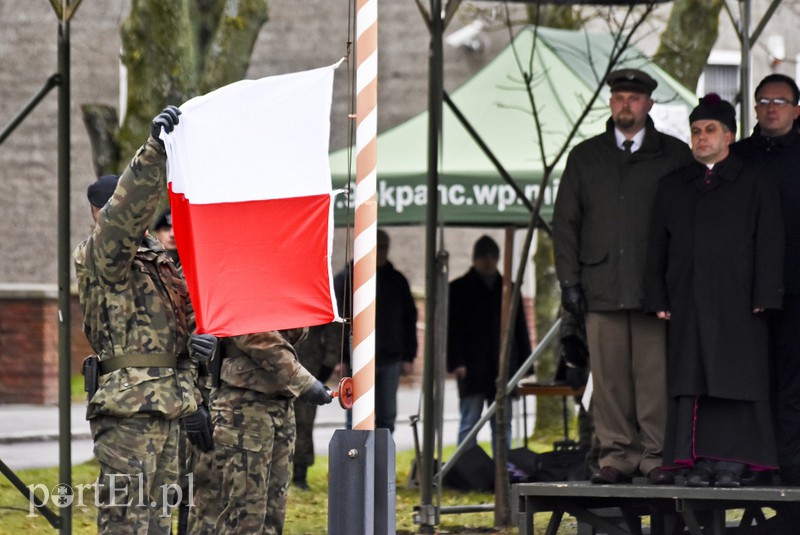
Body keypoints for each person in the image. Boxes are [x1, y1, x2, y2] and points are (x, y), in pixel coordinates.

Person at [73, 106, 213, 533]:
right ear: (102, 211)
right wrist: (154, 150)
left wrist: (196, 390)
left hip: (169, 405)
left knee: (158, 522)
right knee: (126, 521)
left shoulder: (158, 260)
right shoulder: (102, 254)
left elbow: (181, 328)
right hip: (129, 408)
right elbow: (127, 212)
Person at [552, 68, 693, 485]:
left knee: (654, 379)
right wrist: (569, 281)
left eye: (633, 98)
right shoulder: (585, 156)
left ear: (649, 104)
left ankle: (655, 455)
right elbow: (565, 224)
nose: (625, 105)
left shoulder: (674, 155)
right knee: (609, 379)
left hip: (654, 290)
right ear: (611, 103)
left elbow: (688, 224)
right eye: (618, 98)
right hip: (601, 285)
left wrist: (679, 283)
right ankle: (615, 455)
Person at [644, 93, 784, 487]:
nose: (701, 137)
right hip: (687, 300)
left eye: (709, 130)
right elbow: (657, 246)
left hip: (739, 300)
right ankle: (700, 461)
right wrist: (657, 296)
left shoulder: (755, 182)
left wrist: (765, 294)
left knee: (736, 378)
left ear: (729, 136)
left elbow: (769, 241)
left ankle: (733, 462)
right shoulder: (673, 185)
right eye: (695, 131)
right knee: (694, 379)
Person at [188, 329, 334, 534]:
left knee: (272, 516)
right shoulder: (247, 307)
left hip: (280, 401)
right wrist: (303, 381)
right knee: (243, 517)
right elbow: (254, 334)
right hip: (243, 406)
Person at [732, 74, 800, 486]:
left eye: (780, 101)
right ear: (754, 108)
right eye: (764, 101)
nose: (771, 108)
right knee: (751, 377)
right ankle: (755, 460)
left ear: (797, 109)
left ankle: (790, 462)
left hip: (796, 287)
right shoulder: (738, 157)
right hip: (746, 288)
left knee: (793, 379)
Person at [447, 235, 532, 454]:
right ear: (475, 259)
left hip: (502, 365)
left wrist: (525, 364)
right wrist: (456, 361)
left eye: (492, 257)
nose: (488, 261)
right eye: (483, 257)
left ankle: (503, 466)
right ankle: (466, 466)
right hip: (472, 365)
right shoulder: (459, 289)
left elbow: (520, 328)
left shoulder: (509, 289)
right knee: (470, 422)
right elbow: (453, 329)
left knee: (503, 424)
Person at [333, 229, 418, 433]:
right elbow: (336, 324)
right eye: (375, 247)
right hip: (355, 360)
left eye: (382, 247)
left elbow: (409, 319)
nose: (378, 252)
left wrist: (409, 356)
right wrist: (339, 358)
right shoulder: (346, 280)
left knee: (387, 417)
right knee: (356, 417)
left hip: (389, 358)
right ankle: (356, 452)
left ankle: (382, 454)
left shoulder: (397, 281)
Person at [292, 323, 339, 490]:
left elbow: (333, 331)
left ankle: (300, 474)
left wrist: (328, 363)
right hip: (280, 364)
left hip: (308, 364)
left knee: (304, 422)